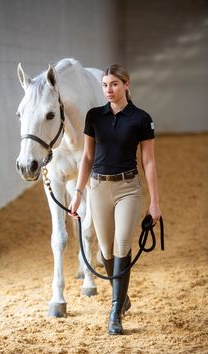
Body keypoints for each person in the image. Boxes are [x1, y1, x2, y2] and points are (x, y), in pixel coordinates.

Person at [69, 64, 162, 335]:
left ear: (126, 85)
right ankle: (122, 297)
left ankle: (114, 312)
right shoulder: (94, 116)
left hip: (128, 189)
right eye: (105, 85)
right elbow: (87, 157)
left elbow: (149, 161)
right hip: (98, 189)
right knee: (105, 251)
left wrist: (155, 203)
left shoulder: (141, 118)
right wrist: (78, 193)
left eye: (114, 84)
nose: (109, 90)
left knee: (122, 244)